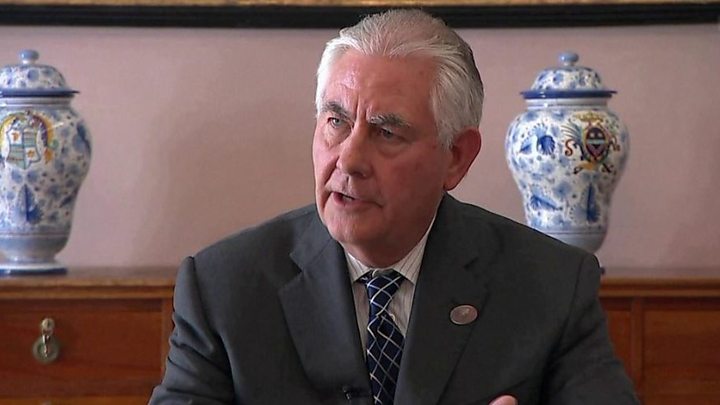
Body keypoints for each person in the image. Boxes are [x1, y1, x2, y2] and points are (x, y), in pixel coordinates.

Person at [150, 9, 638, 405]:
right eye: (336, 122)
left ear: (456, 157)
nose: (349, 159)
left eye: (386, 132)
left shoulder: (550, 286)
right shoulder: (224, 289)